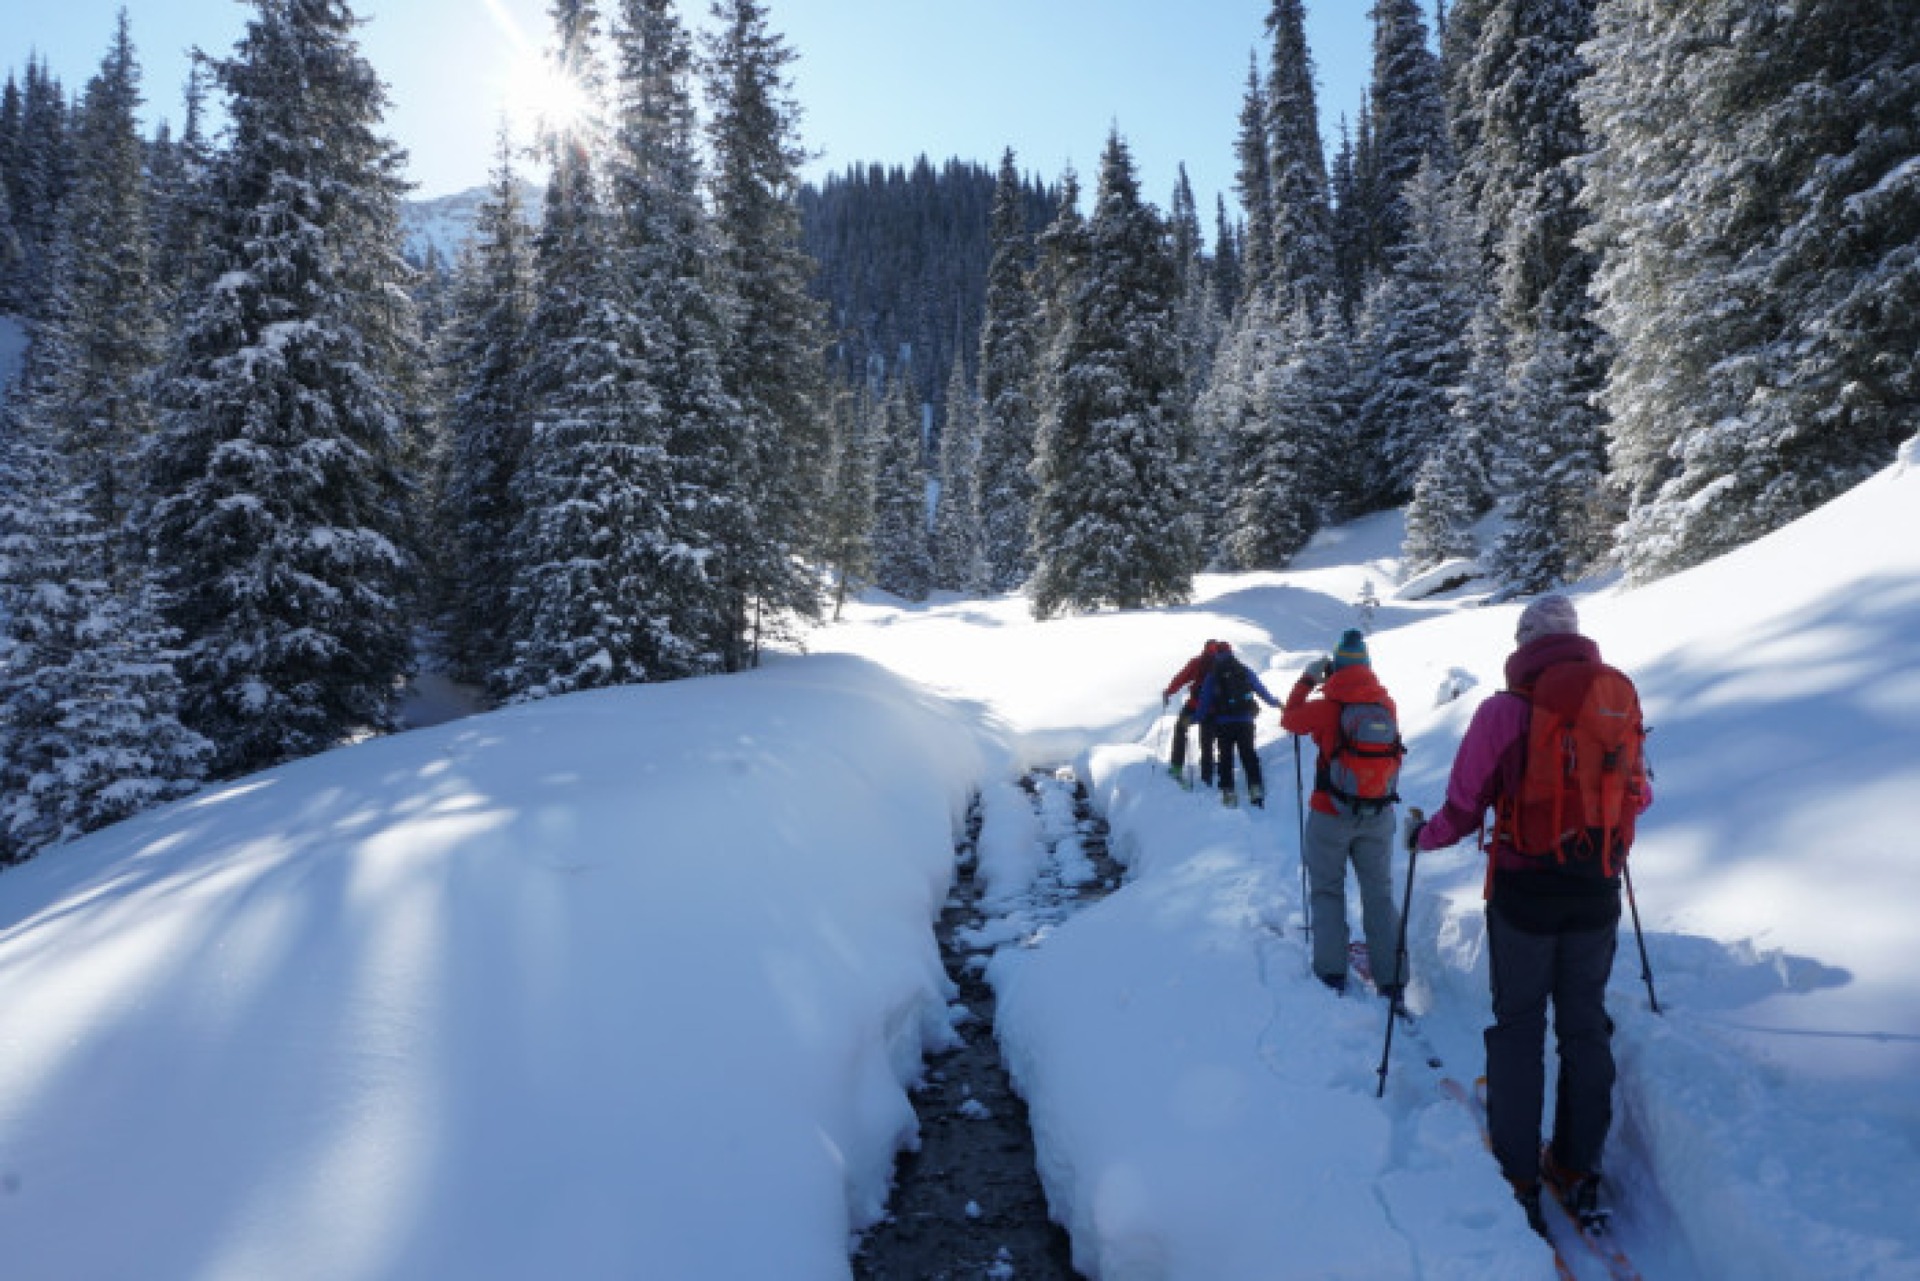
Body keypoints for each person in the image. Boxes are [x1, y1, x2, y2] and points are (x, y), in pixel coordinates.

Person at [1409, 593, 1653, 1238]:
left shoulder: (1504, 710)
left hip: (1524, 893)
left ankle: (1518, 1172)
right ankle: (1577, 1167)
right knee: (1584, 1026)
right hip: (1596, 889)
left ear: (1521, 647)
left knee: (1519, 1024)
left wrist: (1422, 837)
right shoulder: (1615, 702)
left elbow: (1463, 806)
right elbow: (1641, 793)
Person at [1281, 628, 1403, 997]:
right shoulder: (1386, 705)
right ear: (1367, 666)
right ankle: (1392, 978)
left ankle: (1332, 972)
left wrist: (1306, 680)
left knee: (1328, 891)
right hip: (1379, 812)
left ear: (1334, 668)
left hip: (1330, 812)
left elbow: (1289, 720)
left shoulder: (1326, 708)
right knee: (1379, 894)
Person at [1194, 642, 1280, 808]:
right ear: (1231, 652)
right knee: (1248, 753)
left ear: (1216, 655)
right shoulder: (1243, 669)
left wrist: (1197, 718)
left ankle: (1228, 792)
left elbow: (1204, 701)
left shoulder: (1213, 675)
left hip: (1223, 722)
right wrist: (1274, 702)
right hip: (1245, 720)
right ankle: (1255, 788)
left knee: (1225, 756)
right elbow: (1260, 689)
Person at [1161, 640, 1223, 789]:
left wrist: (1169, 691)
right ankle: (1206, 776)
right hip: (1213, 709)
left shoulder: (1197, 662)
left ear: (1204, 649)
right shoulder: (1223, 664)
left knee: (1180, 729)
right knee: (1207, 741)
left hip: (1194, 706)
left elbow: (1182, 678)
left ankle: (1176, 766)